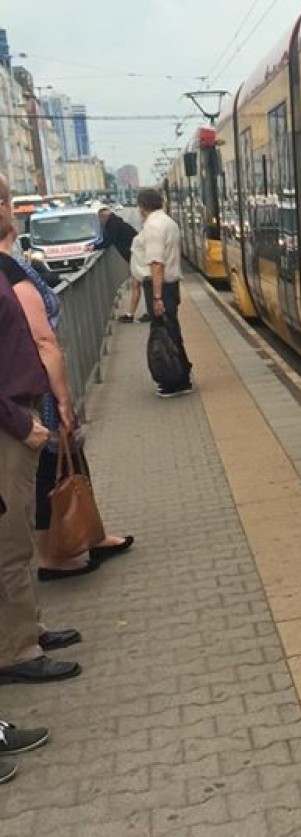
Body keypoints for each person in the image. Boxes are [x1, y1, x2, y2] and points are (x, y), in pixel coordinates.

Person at [0, 178, 132, 579]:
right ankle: (56, 552)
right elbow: (42, 338)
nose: (5, 205)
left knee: (64, 461)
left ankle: (86, 535)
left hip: (29, 384)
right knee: (50, 468)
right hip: (35, 388)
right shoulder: (8, 266)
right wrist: (61, 397)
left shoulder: (15, 259)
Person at [0, 250, 80, 689]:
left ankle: (29, 630)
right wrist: (19, 423)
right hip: (8, 427)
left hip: (16, 420)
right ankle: (17, 651)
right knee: (9, 543)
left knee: (21, 535)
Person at [137, 187, 193, 395]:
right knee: (172, 332)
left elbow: (156, 263)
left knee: (164, 334)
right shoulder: (169, 222)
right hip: (171, 285)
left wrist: (156, 297)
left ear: (142, 206)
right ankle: (182, 373)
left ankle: (174, 380)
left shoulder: (152, 226)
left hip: (160, 287)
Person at [94, 203, 150, 323]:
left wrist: (94, 247)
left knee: (139, 284)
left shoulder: (112, 225)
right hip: (135, 257)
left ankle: (136, 314)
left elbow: (108, 241)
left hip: (136, 258)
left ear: (103, 217)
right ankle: (133, 314)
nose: (100, 222)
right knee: (138, 285)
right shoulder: (117, 222)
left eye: (100, 219)